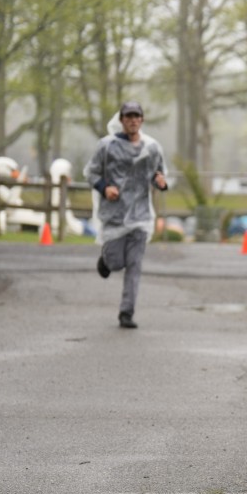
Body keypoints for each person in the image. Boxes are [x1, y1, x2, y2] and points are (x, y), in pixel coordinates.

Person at [84, 101, 168, 329]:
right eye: (128, 116)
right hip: (114, 216)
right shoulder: (107, 146)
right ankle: (106, 260)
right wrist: (105, 188)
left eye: (136, 116)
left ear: (142, 120)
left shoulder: (152, 148)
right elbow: (90, 173)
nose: (132, 120)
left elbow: (158, 174)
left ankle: (126, 313)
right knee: (116, 262)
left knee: (134, 265)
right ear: (121, 120)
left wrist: (160, 182)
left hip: (141, 218)